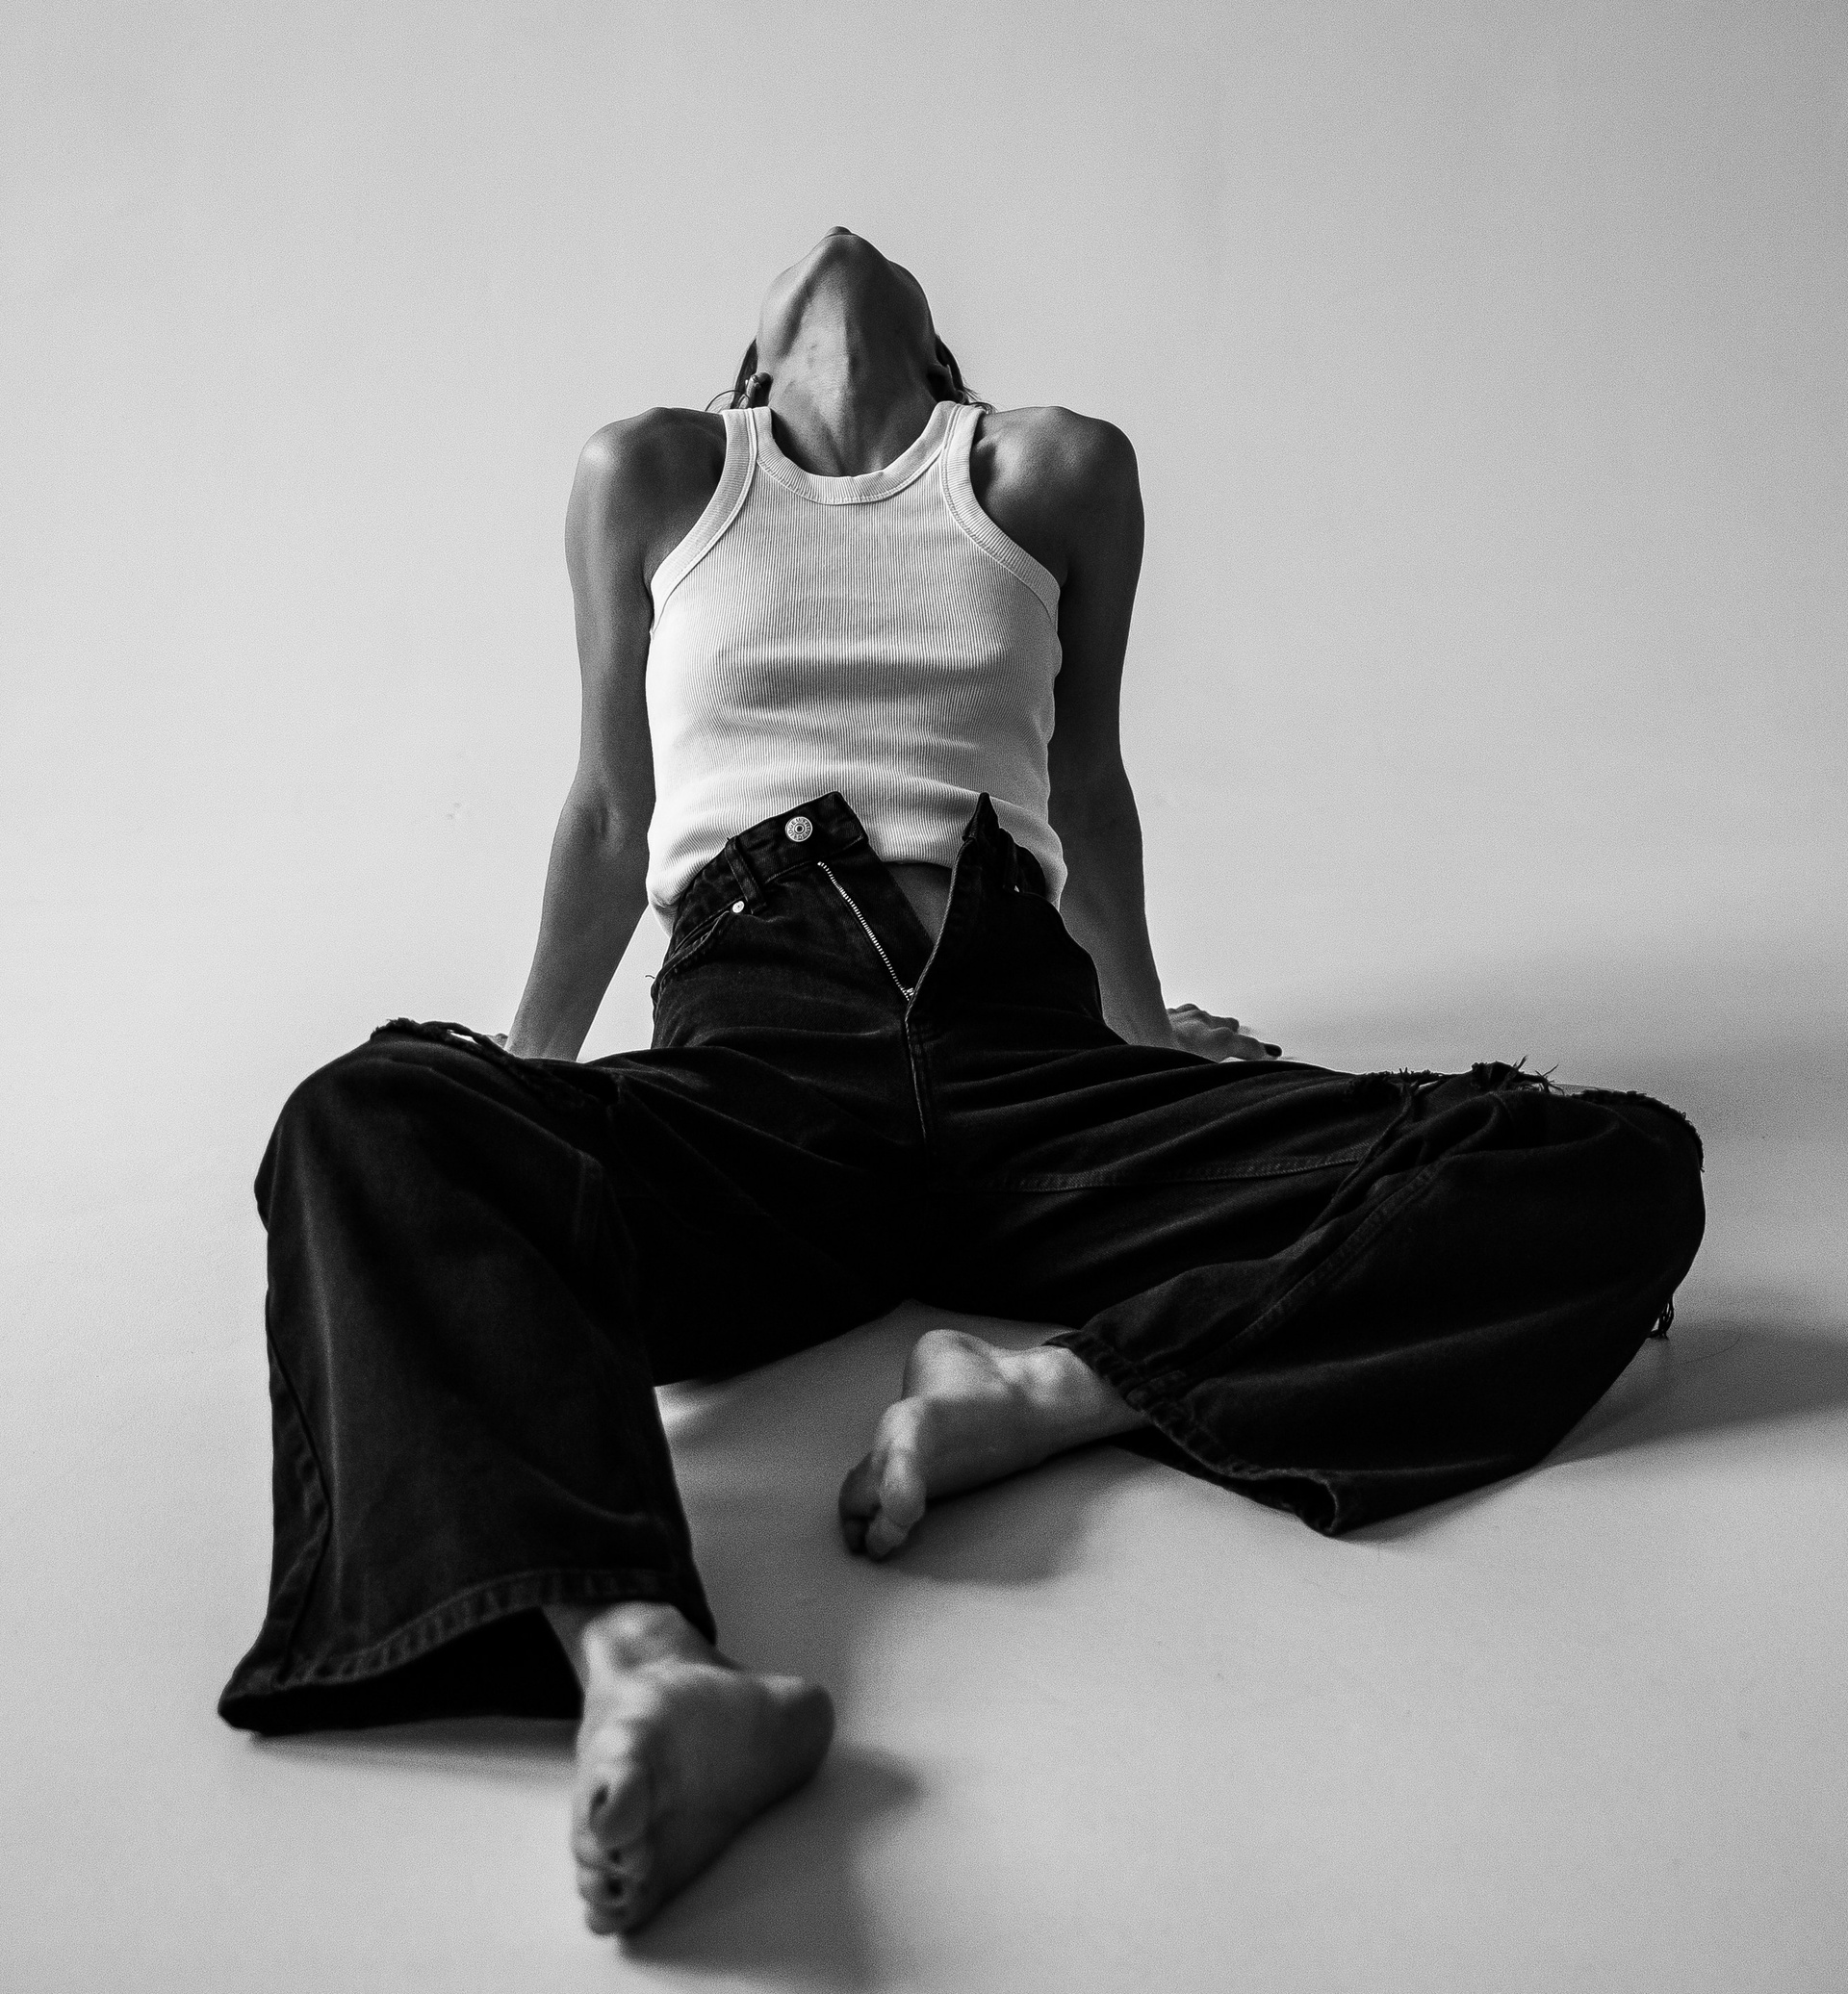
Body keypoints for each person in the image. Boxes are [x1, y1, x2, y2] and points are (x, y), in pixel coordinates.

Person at [218, 227, 1705, 1937]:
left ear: (946, 366)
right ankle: (643, 1665)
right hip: (760, 1080)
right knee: (369, 1114)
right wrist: (520, 1108)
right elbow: (612, 817)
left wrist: (1145, 1039)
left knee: (1606, 1159)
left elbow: (1092, 786)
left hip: (1031, 1068)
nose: (841, 240)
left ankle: (1059, 1394)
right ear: (746, 375)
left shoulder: (1051, 470)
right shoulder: (660, 472)